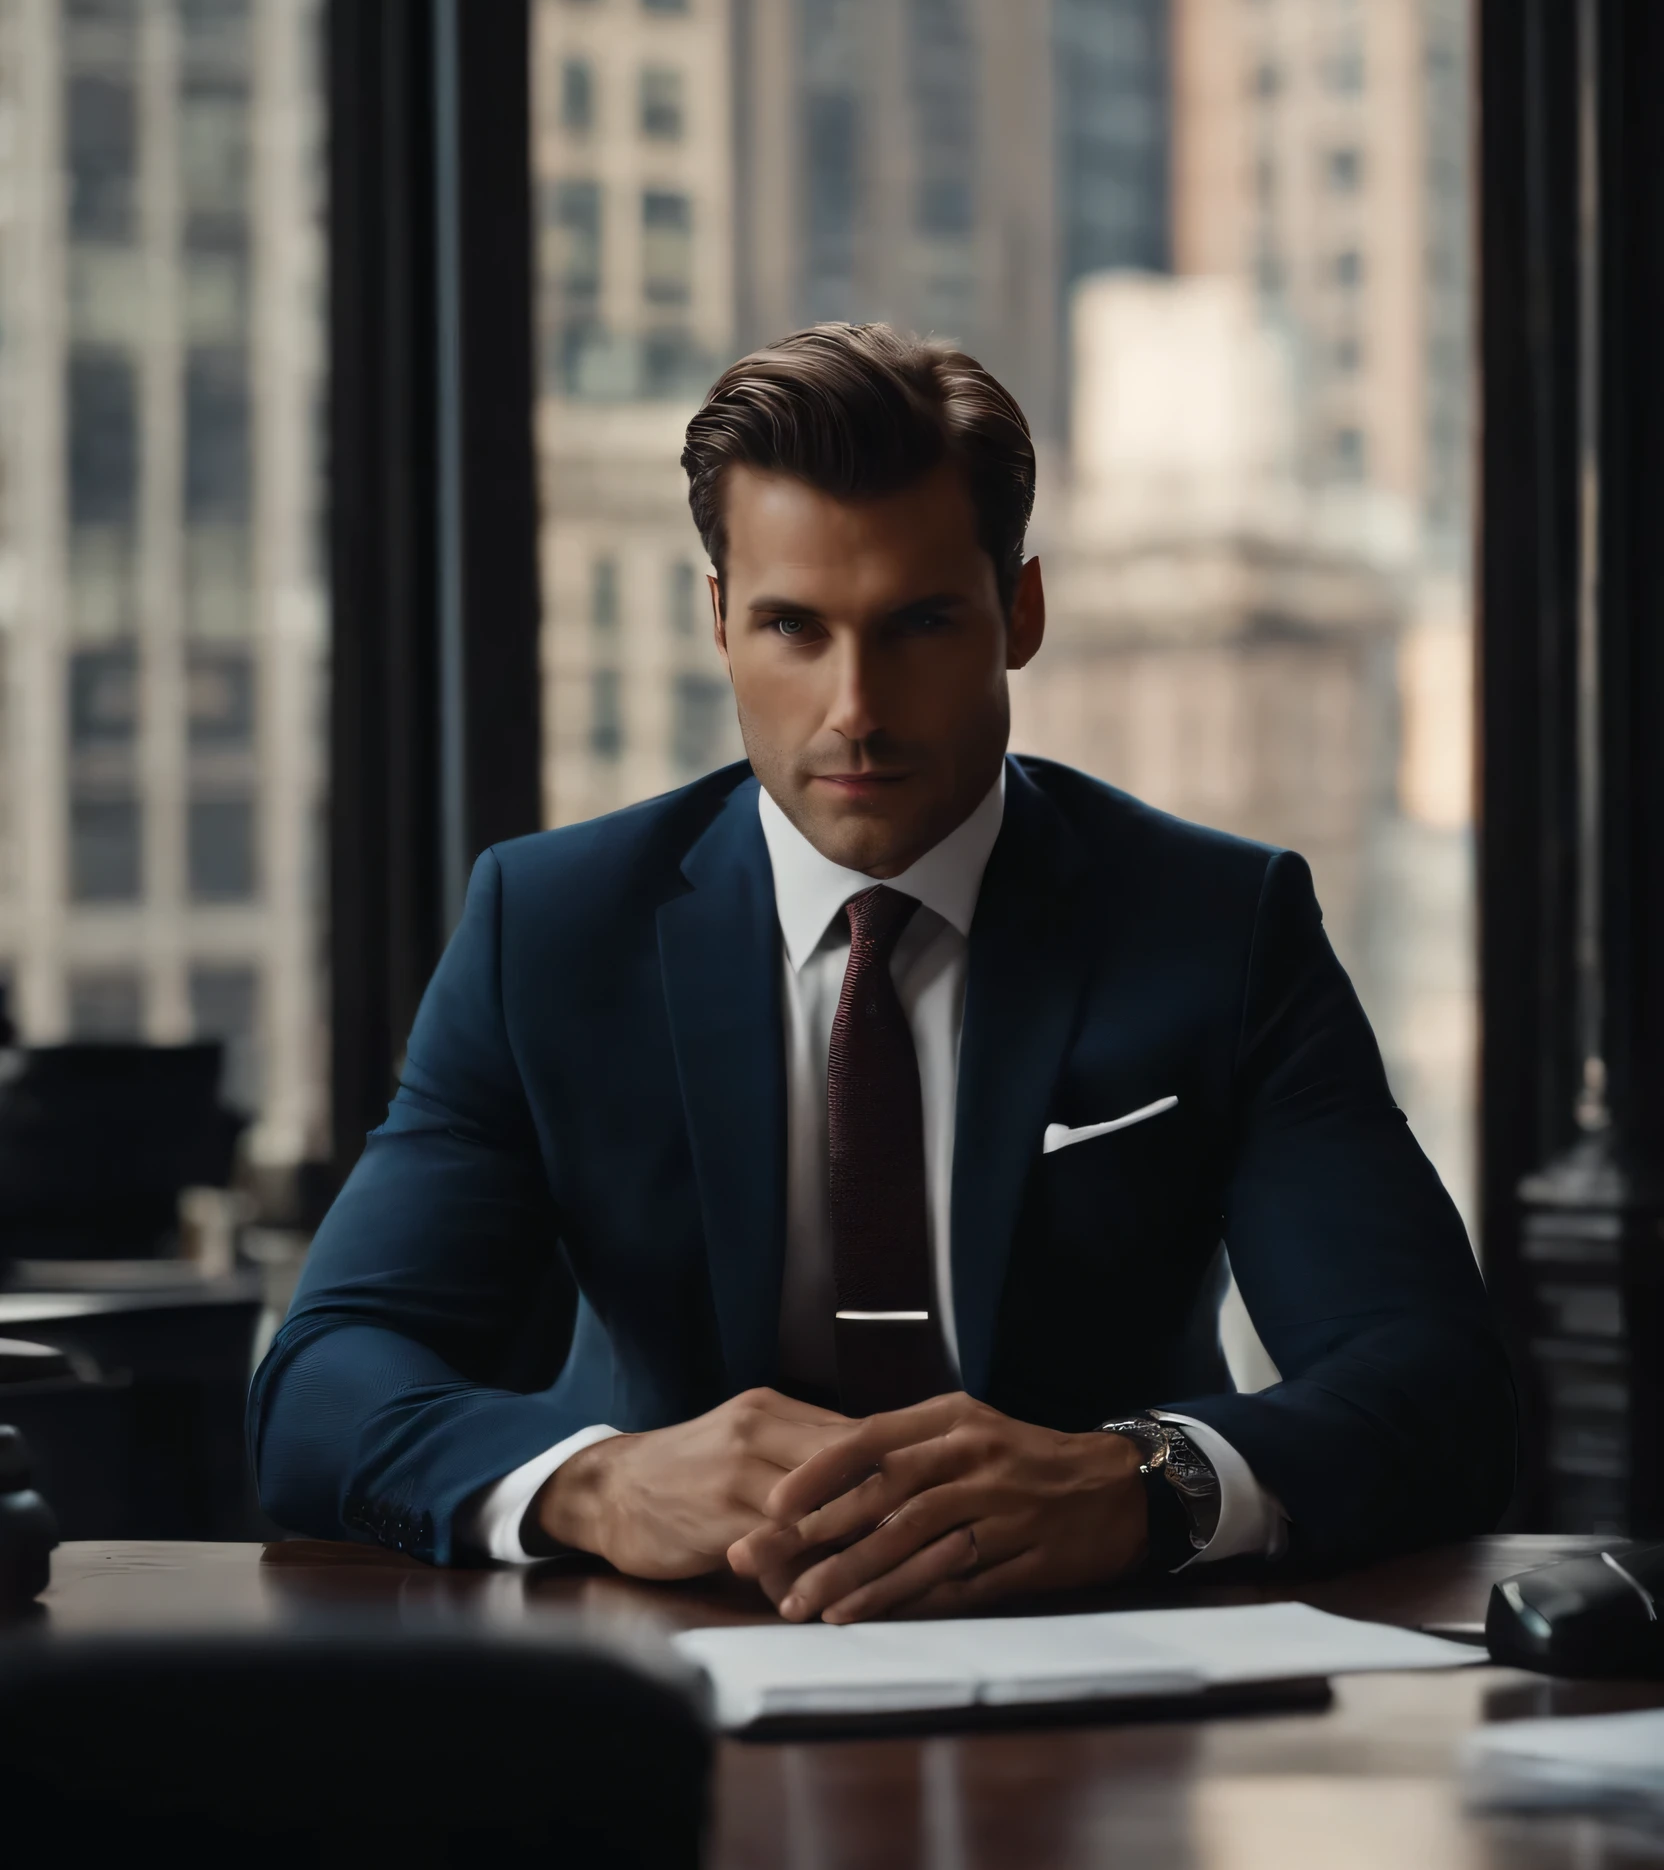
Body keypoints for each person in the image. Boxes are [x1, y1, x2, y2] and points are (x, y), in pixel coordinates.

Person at [251, 323, 1513, 1614]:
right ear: (719, 622)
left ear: (1018, 614)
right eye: (794, 627)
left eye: (917, 624)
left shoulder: (1216, 923)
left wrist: (1145, 1484)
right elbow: (324, 1381)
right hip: (655, 1655)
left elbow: (1429, 1382)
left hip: (1098, 1663)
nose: (855, 708)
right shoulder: (554, 927)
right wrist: (602, 1485)